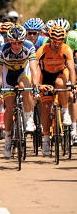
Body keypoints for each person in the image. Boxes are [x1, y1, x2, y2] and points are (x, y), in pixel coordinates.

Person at [0, 24, 40, 158]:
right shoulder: (3, 50)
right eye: (14, 43)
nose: (17, 46)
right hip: (8, 75)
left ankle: (29, 119)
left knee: (25, 87)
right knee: (9, 108)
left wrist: (35, 87)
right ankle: (7, 141)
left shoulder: (29, 46)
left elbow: (34, 69)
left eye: (19, 42)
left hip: (22, 73)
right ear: (9, 41)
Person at [37, 26, 76, 155]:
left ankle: (65, 111)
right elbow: (36, 70)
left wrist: (73, 86)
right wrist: (37, 85)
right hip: (46, 76)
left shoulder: (66, 50)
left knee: (60, 83)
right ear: (50, 40)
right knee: (46, 106)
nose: (57, 44)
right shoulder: (42, 50)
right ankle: (46, 139)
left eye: (60, 41)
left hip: (61, 73)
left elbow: (71, 70)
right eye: (54, 41)